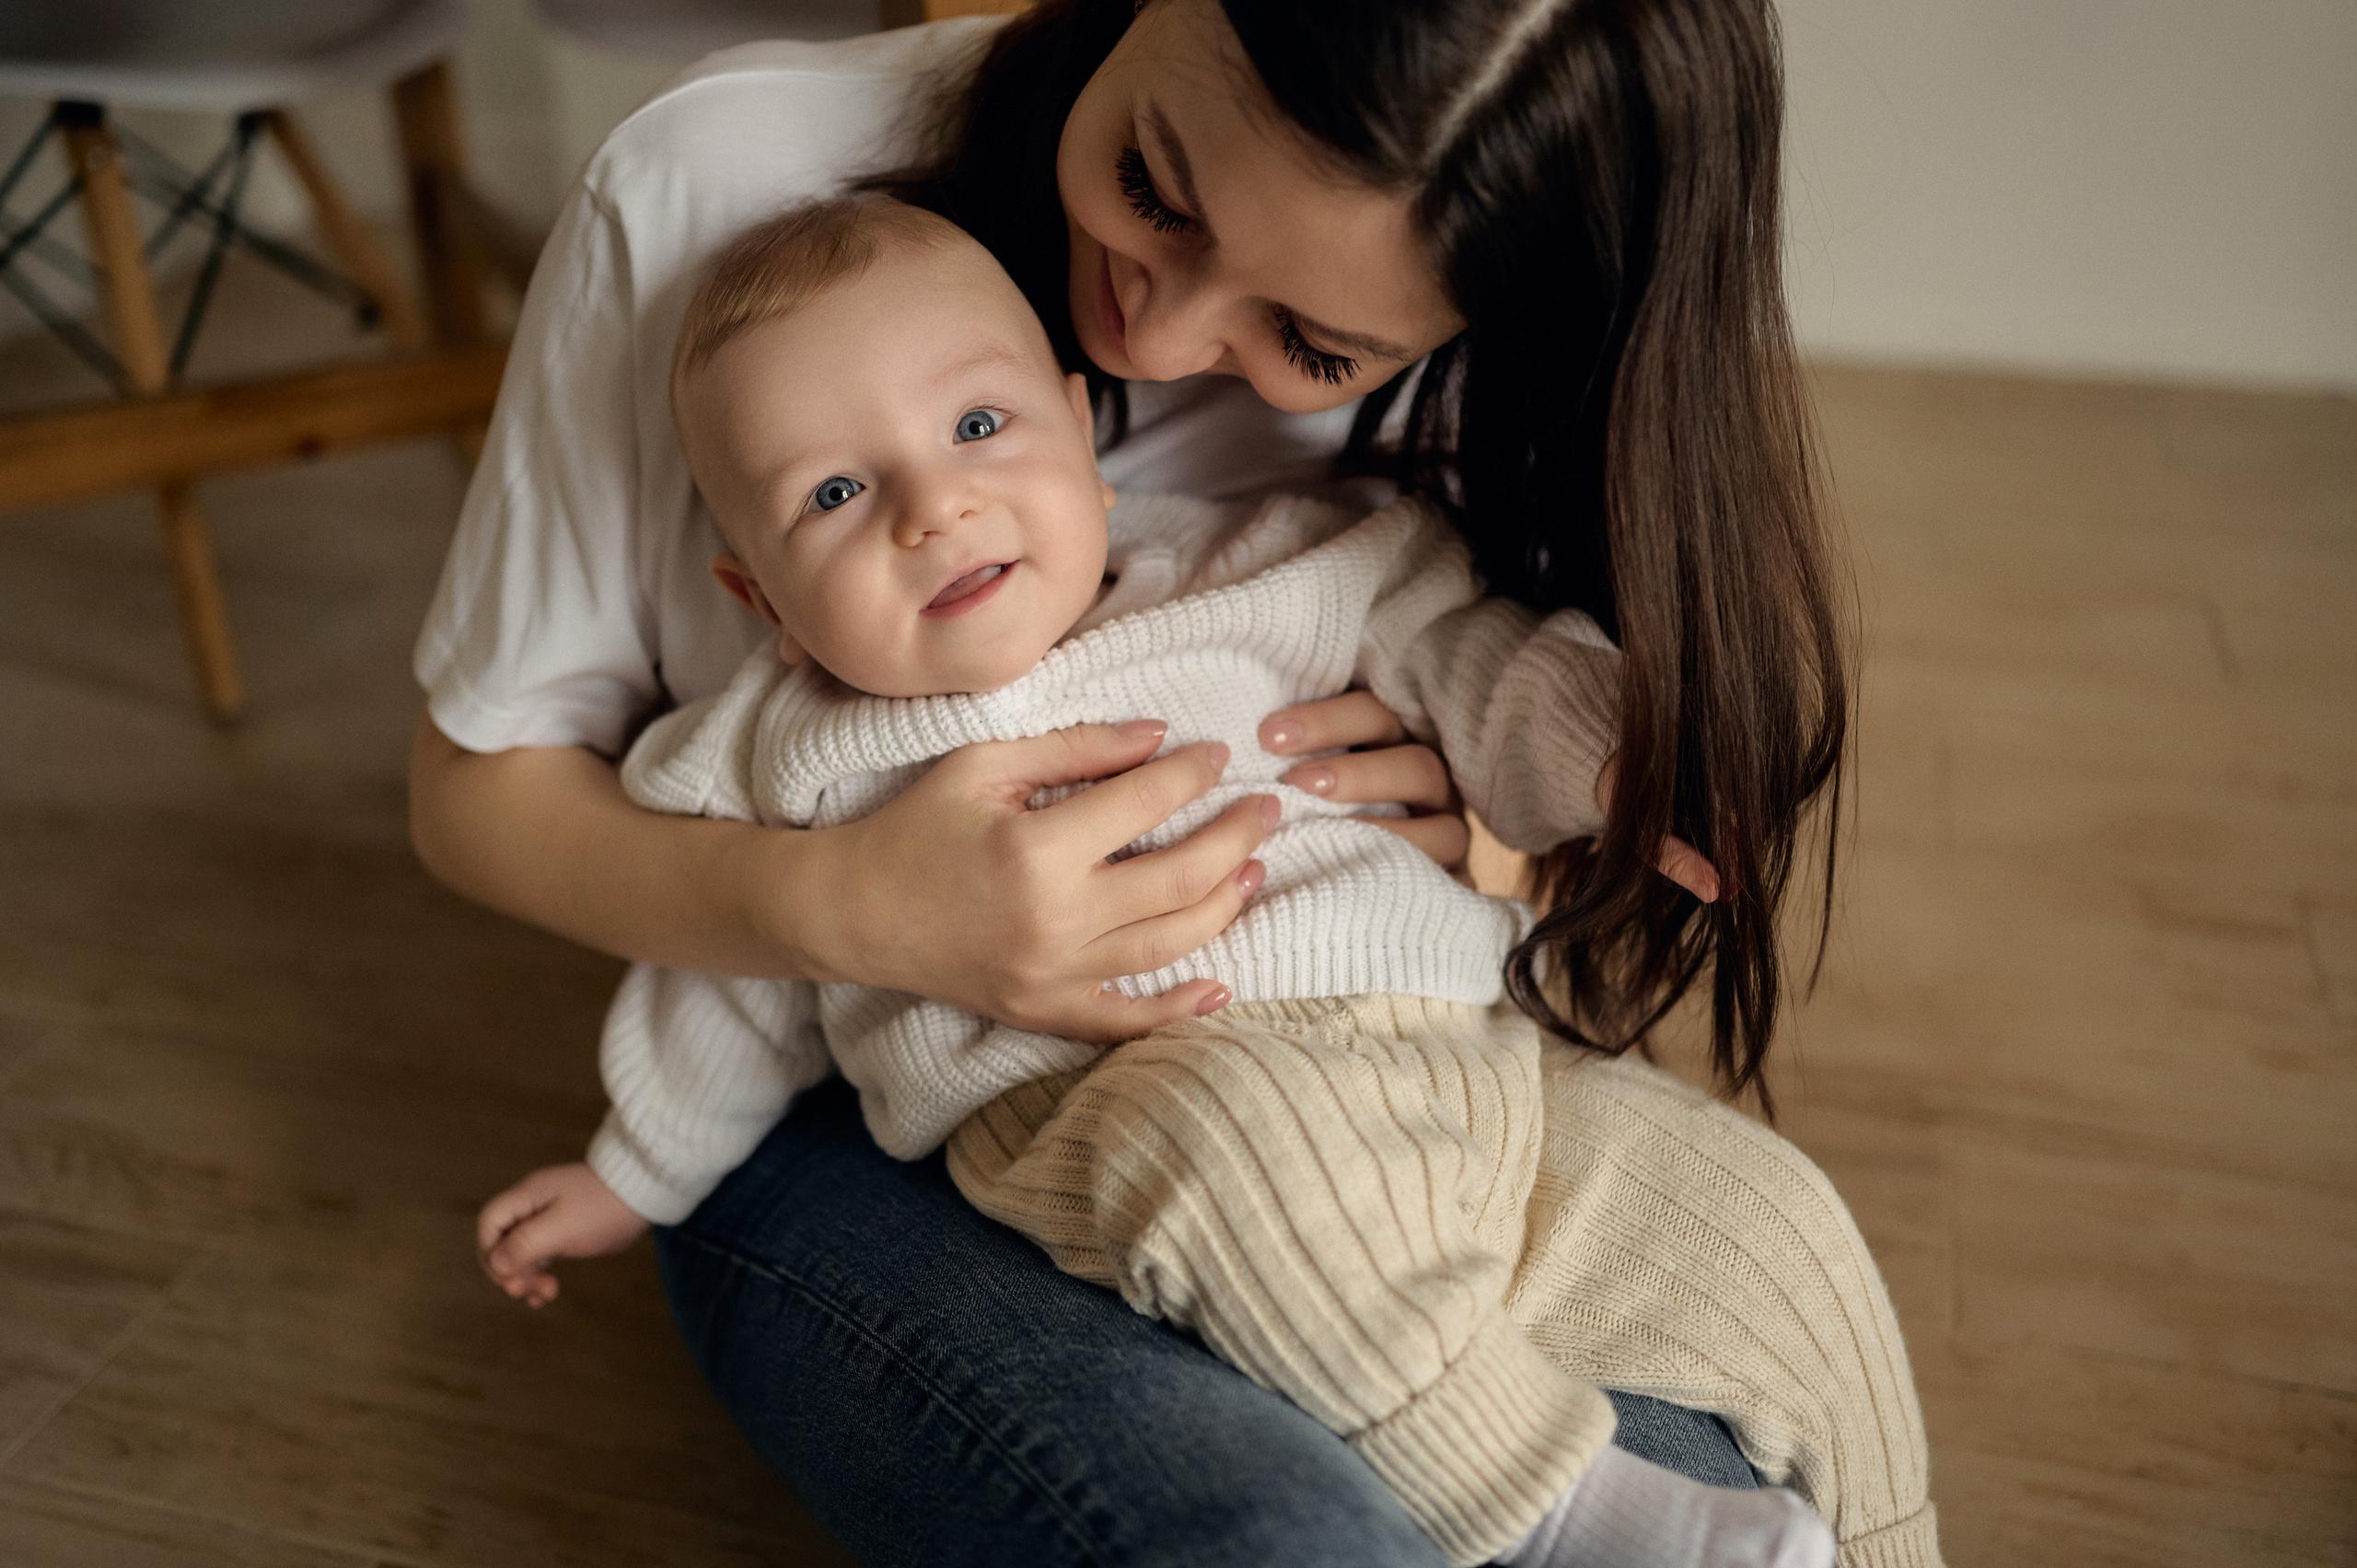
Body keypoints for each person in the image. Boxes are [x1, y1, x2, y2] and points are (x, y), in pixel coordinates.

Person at [409, 5, 1940, 1565]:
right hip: (1114, 1113)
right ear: (759, 592)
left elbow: (1479, 663)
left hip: (1456, 1064)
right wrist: (806, 954)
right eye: (1155, 184)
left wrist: (1581, 784)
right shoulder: (792, 734)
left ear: (1081, 437)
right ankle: (1540, 1500)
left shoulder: (1267, 563)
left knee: (1773, 1233)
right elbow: (678, 982)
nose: (1153, 334)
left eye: (1319, 347)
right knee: (1271, 1332)